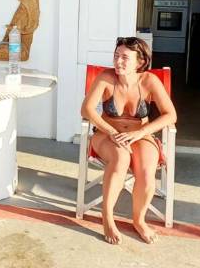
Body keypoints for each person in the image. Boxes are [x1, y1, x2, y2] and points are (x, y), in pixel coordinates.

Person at [80, 37, 177, 245]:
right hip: (107, 134)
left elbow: (170, 115)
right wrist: (111, 131)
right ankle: (107, 217)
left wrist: (140, 133)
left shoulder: (149, 81)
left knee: (145, 170)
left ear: (140, 62)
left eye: (125, 57)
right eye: (116, 56)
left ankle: (139, 220)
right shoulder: (106, 78)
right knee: (120, 158)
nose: (118, 62)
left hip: (139, 135)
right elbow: (86, 109)